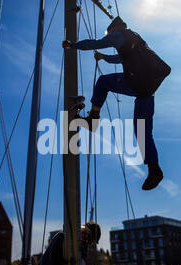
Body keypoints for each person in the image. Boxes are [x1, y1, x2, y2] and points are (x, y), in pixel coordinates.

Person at [63, 16, 171, 191]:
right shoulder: (135, 40)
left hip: (136, 83)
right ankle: (154, 168)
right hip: (147, 90)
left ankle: (93, 119)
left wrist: (73, 45)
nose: (109, 35)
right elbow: (120, 59)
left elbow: (94, 43)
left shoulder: (118, 35)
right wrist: (104, 57)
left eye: (108, 32)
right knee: (143, 131)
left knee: (103, 82)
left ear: (113, 28)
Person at [32, 222, 101, 265]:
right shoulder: (61, 238)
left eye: (90, 242)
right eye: (88, 238)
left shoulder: (79, 248)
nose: (87, 243)